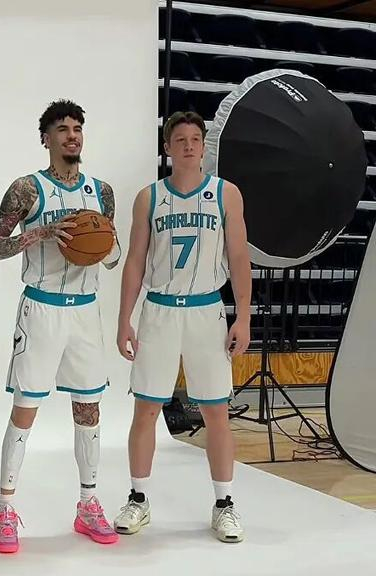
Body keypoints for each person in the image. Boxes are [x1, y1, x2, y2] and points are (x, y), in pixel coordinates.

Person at [0, 99, 121, 553]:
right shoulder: (27, 189)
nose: (72, 135)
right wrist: (40, 233)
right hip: (41, 308)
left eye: (77, 128)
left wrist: (105, 241)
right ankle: (5, 511)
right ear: (46, 138)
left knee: (89, 409)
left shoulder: (102, 192)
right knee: (25, 409)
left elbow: (112, 256)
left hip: (85, 312)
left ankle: (88, 504)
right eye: (62, 129)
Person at [113, 111, 251, 543]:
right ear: (167, 148)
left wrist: (244, 316)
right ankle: (138, 498)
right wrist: (124, 318)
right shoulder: (149, 198)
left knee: (216, 413)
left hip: (206, 310)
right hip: (159, 310)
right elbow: (135, 261)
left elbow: (239, 257)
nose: (189, 145)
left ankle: (224, 504)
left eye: (195, 139)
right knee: (146, 409)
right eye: (180, 139)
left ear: (203, 146)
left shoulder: (225, 194)